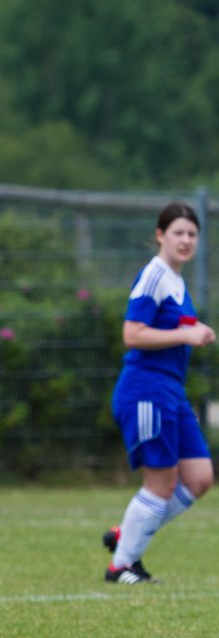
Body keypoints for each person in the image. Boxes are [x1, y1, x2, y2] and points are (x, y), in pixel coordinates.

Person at [102, 202, 215, 583]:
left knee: (199, 478)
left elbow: (173, 325)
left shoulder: (175, 280)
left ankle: (126, 534)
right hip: (146, 391)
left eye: (192, 234)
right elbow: (132, 334)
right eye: (178, 232)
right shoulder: (153, 275)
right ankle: (121, 566)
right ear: (160, 235)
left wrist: (193, 327)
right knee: (161, 485)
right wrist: (186, 333)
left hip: (170, 392)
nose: (186, 240)